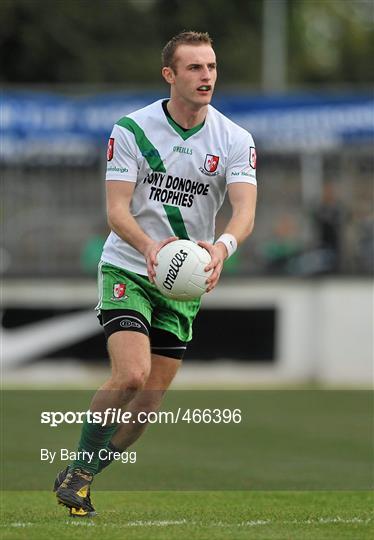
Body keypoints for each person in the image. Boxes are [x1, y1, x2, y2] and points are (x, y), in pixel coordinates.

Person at [54, 30, 257, 517]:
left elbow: (245, 210)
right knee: (131, 375)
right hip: (129, 264)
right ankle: (79, 475)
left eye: (210, 67)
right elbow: (116, 210)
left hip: (185, 282)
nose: (206, 76)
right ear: (170, 74)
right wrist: (148, 247)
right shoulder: (131, 129)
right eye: (194, 68)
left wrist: (222, 248)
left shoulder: (234, 138)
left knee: (146, 406)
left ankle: (82, 472)